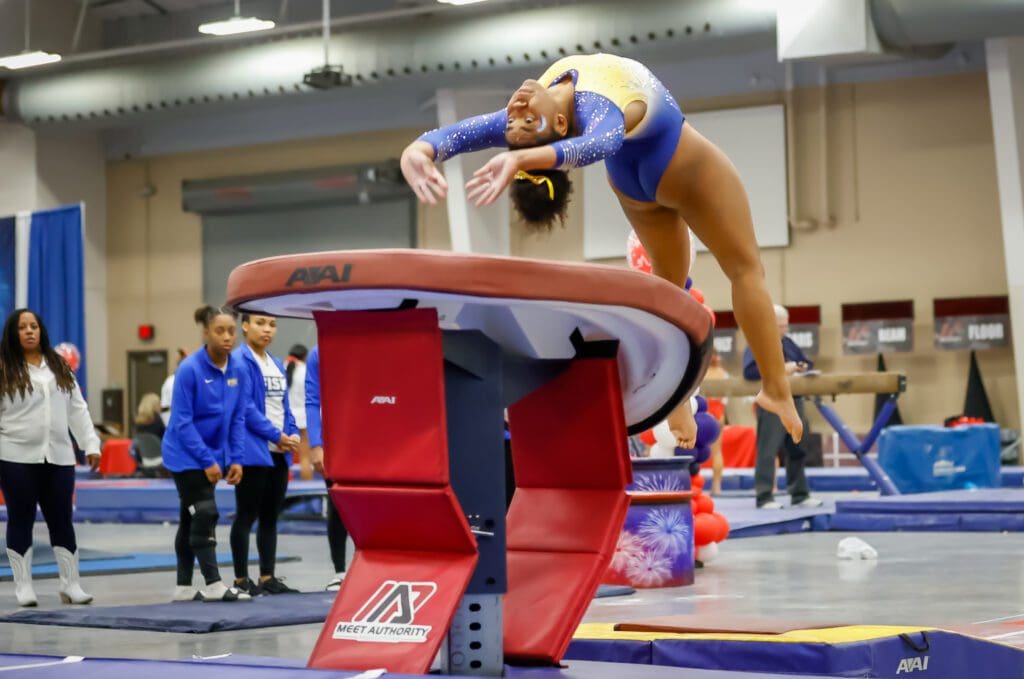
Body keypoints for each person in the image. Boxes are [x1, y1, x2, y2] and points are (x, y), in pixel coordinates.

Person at [400, 52, 802, 448]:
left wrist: (420, 150)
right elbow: (601, 141)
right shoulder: (594, 105)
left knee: (670, 290)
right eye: (525, 120)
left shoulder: (537, 106)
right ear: (560, 123)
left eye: (516, 120)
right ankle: (776, 390)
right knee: (746, 271)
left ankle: (674, 396)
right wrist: (523, 155)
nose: (517, 108)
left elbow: (459, 135)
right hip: (685, 167)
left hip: (633, 182)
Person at [0, 308, 101, 607]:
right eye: (22, 327)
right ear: (13, 333)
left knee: (62, 520)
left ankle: (71, 585)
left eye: (34, 326)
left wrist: (90, 443)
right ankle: (24, 586)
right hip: (16, 455)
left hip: (58, 456)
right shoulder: (4, 368)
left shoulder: (58, 366)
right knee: (21, 519)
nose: (30, 331)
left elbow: (77, 408)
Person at [162, 305, 251, 602]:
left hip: (212, 453)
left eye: (231, 331)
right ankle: (213, 584)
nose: (227, 337)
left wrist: (236, 458)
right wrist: (208, 461)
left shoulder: (238, 369)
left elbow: (238, 418)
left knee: (189, 518)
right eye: (219, 331)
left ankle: (183, 587)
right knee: (204, 511)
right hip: (184, 453)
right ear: (206, 332)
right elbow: (183, 422)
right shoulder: (189, 369)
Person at [230, 314, 301, 595]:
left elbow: (284, 405)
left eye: (272, 324)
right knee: (246, 515)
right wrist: (275, 435)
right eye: (260, 323)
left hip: (278, 452)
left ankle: (267, 577)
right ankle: (240, 579)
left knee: (271, 516)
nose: (267, 329)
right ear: (245, 325)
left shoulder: (277, 363)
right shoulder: (239, 361)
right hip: (253, 450)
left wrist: (292, 433)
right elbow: (245, 408)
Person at [743, 305, 821, 509]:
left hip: (794, 399)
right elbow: (749, 372)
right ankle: (764, 496)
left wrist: (800, 366)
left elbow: (806, 362)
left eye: (786, 326)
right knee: (768, 449)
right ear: (769, 323)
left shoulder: (787, 341)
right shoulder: (758, 341)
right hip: (772, 402)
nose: (784, 330)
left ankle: (799, 493)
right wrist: (779, 369)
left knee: (798, 447)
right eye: (780, 326)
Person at [305, 345, 349, 591]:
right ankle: (340, 571)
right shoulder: (318, 353)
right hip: (334, 442)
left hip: (364, 438)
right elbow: (313, 399)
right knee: (338, 505)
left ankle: (370, 565)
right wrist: (316, 444)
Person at [285, 344, 313, 481]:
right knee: (305, 457)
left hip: (285, 417)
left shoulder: (281, 366)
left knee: (282, 455)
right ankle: (307, 487)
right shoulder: (305, 370)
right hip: (302, 418)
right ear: (304, 356)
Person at [703, 352, 728, 496]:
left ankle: (697, 483)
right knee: (717, 451)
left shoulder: (701, 374)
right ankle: (716, 486)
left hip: (704, 411)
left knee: (694, 450)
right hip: (717, 412)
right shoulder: (723, 374)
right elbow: (725, 399)